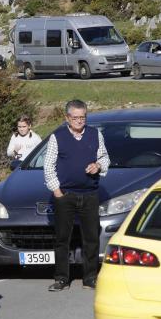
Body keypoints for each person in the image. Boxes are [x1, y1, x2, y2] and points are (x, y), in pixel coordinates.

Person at [44, 100, 110, 292]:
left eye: (83, 117)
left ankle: (90, 277)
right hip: (66, 194)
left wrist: (98, 166)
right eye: (75, 118)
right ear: (67, 118)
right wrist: (57, 191)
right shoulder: (58, 137)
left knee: (91, 237)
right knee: (62, 238)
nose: (79, 121)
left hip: (89, 193)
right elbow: (48, 165)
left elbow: (105, 157)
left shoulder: (94, 134)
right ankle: (62, 278)